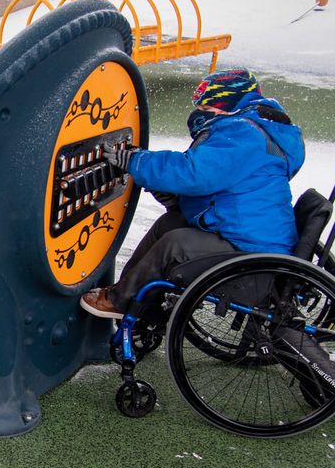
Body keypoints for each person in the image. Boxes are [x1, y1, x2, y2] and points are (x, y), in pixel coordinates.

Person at [80, 68, 305, 319]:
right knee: (168, 224)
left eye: (208, 107)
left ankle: (121, 301)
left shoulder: (245, 133)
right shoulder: (254, 127)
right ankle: (134, 297)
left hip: (252, 254)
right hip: (248, 235)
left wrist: (136, 161)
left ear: (227, 103)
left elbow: (195, 173)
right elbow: (222, 188)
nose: (202, 112)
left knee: (175, 245)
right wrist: (177, 199)